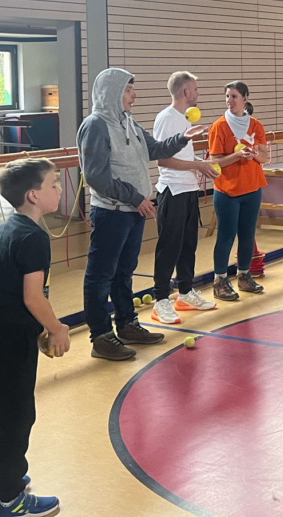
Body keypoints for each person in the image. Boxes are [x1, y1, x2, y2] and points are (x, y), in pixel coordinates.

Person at [0, 158, 68, 517]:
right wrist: (56, 328)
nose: (58, 189)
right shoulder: (34, 237)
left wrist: (37, 327)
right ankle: (10, 499)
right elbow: (32, 296)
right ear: (33, 195)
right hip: (7, 338)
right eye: (53, 184)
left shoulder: (10, 228)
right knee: (17, 416)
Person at [79, 68, 202, 361]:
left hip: (134, 212)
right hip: (112, 213)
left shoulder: (129, 122)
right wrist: (135, 197)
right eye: (129, 90)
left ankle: (126, 324)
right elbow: (96, 176)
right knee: (100, 275)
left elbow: (155, 149)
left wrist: (183, 137)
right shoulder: (95, 125)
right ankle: (101, 336)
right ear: (113, 92)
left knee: (124, 271)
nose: (135, 96)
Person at [150, 71, 220, 324]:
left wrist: (201, 164)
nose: (198, 94)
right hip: (173, 191)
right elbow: (163, 159)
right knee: (169, 246)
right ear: (186, 92)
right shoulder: (167, 118)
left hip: (188, 189)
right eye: (196, 89)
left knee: (188, 244)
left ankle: (185, 292)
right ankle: (160, 300)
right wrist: (196, 167)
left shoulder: (185, 119)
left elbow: (183, 157)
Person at [207, 81, 268, 301]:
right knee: (226, 235)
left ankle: (244, 275)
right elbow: (215, 162)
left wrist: (253, 156)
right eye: (227, 96)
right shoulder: (219, 127)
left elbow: (264, 157)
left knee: (247, 234)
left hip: (252, 188)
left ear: (245, 99)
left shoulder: (256, 125)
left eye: (234, 96)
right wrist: (236, 156)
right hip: (227, 191)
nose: (229, 101)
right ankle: (220, 280)